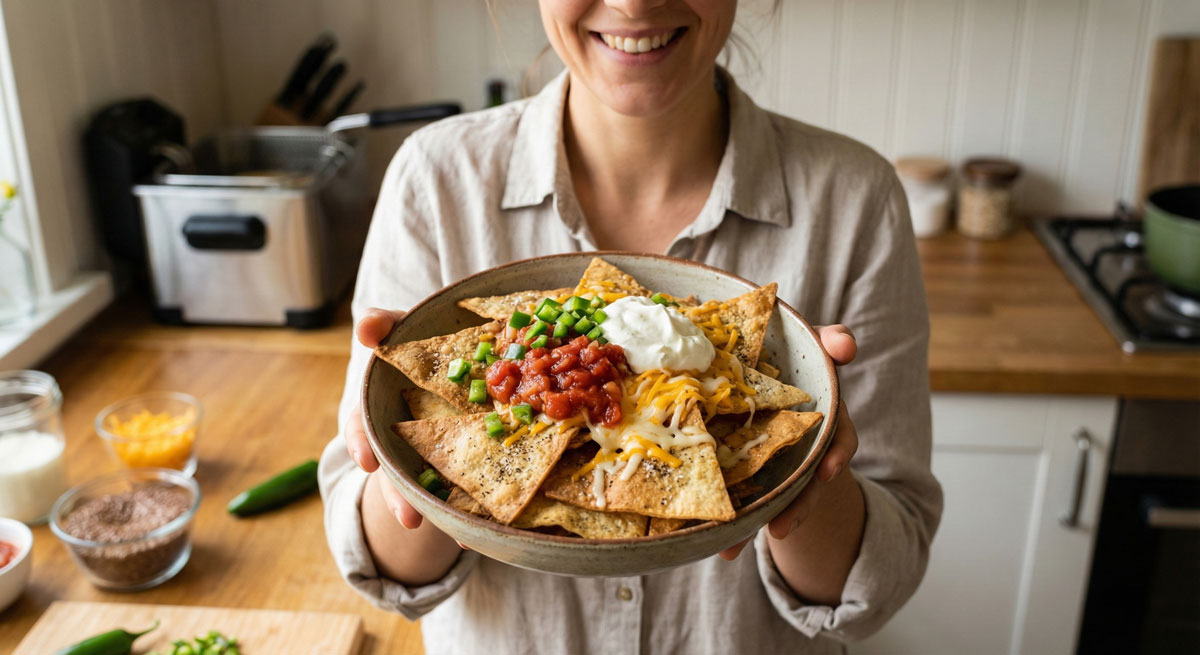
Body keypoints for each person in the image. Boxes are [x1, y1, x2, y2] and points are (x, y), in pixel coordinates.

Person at [319, 1, 942, 653]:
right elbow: (384, 571)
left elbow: (880, 581)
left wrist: (811, 476)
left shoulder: (857, 199)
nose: (635, 2)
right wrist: (412, 451)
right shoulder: (434, 179)